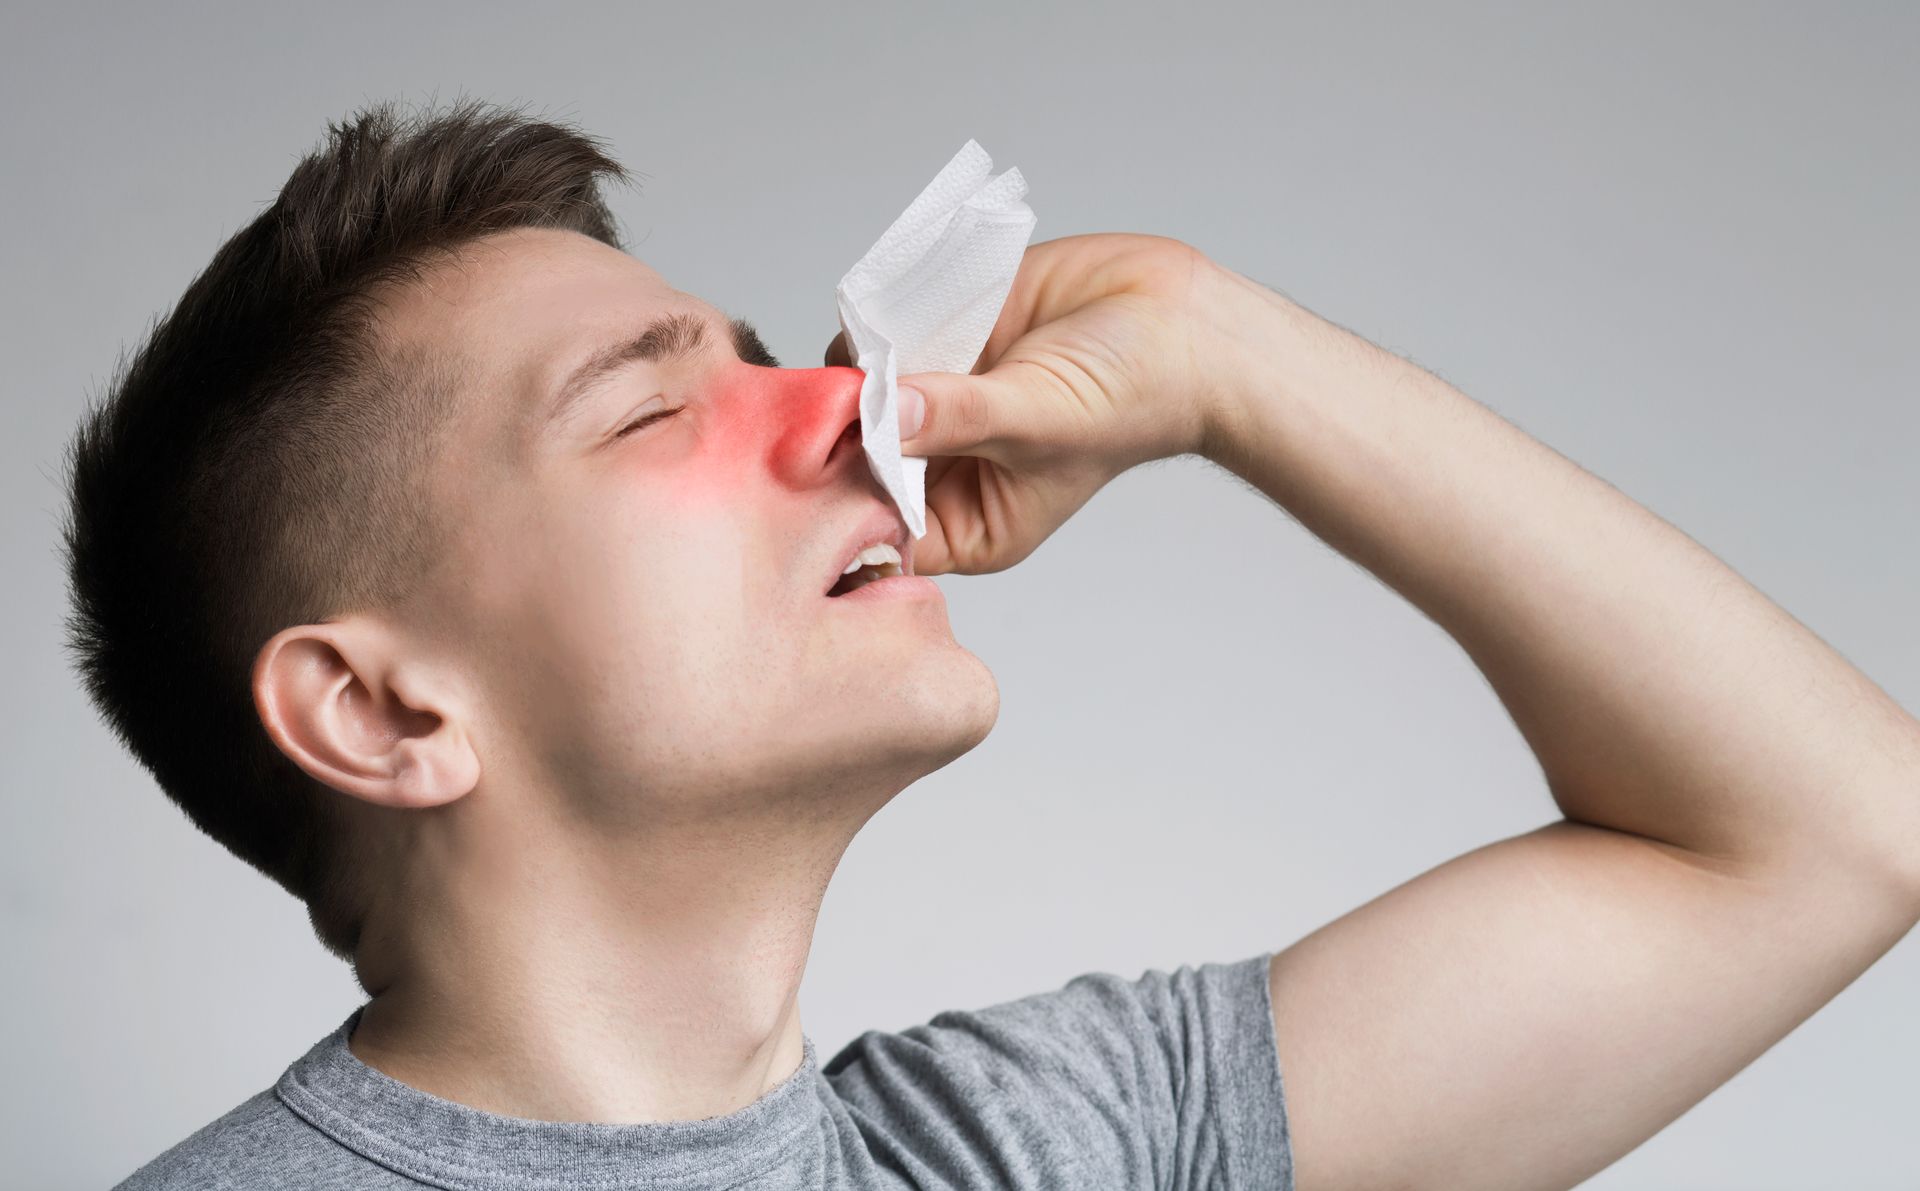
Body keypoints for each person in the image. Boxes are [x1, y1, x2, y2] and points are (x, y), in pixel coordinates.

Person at [70, 99, 1918, 1191]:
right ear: (382, 707)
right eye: (648, 414)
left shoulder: (1034, 1151)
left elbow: (1826, 834)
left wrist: (1214, 351)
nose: (854, 413)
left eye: (780, 353)